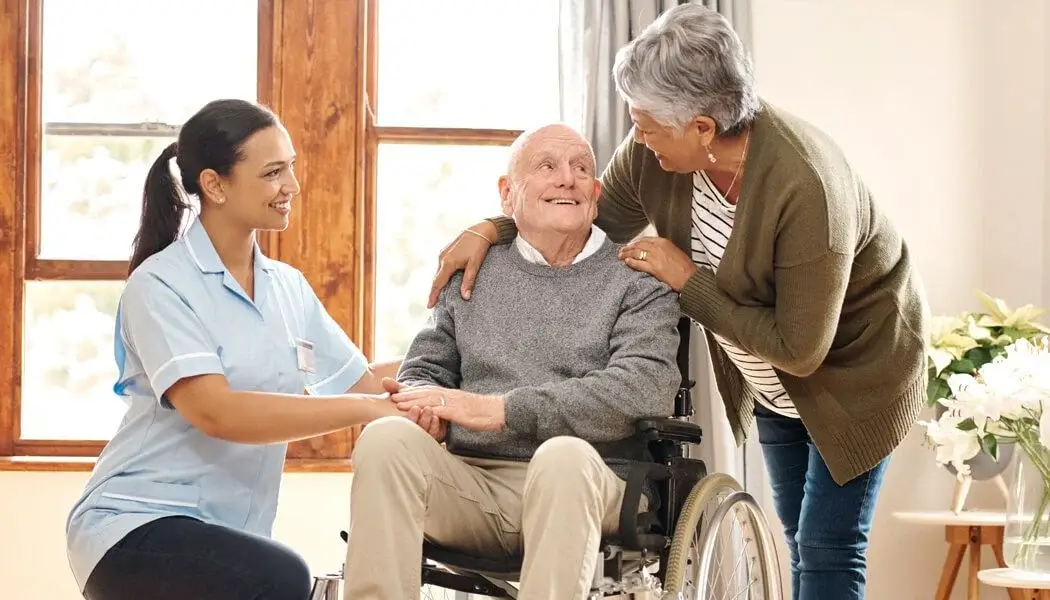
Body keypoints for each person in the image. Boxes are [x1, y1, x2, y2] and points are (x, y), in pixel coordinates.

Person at [427, 5, 929, 600]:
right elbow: (584, 219)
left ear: (702, 128)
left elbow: (800, 347)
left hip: (855, 372)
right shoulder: (656, 155)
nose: (635, 135)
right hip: (767, 373)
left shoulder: (808, 187)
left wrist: (687, 279)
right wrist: (491, 227)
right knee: (796, 535)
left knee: (828, 548)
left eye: (645, 123)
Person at [65, 99, 404, 600]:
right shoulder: (160, 284)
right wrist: (366, 410)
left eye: (291, 167)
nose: (292, 185)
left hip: (227, 536)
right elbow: (218, 412)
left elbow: (363, 381)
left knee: (277, 574)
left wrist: (453, 356)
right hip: (131, 525)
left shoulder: (287, 287)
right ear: (215, 184)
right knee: (281, 577)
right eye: (273, 172)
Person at [342, 123, 682, 600]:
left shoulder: (636, 280)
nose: (567, 179)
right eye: (547, 166)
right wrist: (425, 409)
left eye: (581, 169)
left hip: (594, 480)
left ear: (596, 194)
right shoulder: (475, 271)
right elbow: (426, 368)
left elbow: (642, 387)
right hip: (475, 485)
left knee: (562, 458)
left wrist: (502, 410)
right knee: (384, 439)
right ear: (507, 193)